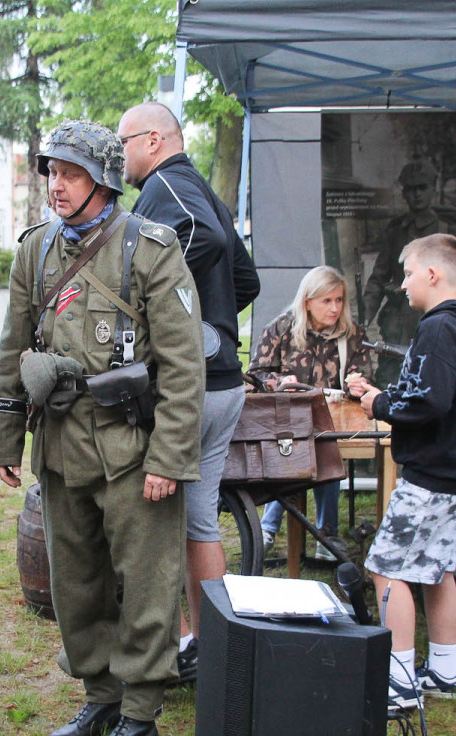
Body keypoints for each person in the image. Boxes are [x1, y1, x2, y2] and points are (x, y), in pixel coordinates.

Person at [0, 119, 203, 736]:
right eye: (52, 172)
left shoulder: (150, 246)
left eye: (71, 173)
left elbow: (183, 364)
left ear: (105, 180)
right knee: (75, 585)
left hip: (130, 450)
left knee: (145, 586)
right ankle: (101, 699)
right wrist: (5, 435)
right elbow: (11, 345)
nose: (57, 185)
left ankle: (140, 719)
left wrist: (169, 458)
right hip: (59, 444)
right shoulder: (36, 250)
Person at [117, 101, 259, 683]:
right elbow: (245, 278)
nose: (118, 155)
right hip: (224, 381)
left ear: (153, 140)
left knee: (147, 522)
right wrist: (210, 323)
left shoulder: (166, 187)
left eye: (123, 142)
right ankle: (211, 649)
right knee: (199, 521)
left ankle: (166, 651)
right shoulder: (199, 185)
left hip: (188, 387)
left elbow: (200, 239)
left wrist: (162, 312)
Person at [347, 234, 456, 712]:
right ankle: (445, 672)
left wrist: (377, 402)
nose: (403, 283)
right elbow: (436, 385)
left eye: (408, 273)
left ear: (433, 274)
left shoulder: (439, 327)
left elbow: (430, 400)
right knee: (435, 571)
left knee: (386, 570)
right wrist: (382, 391)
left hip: (430, 473)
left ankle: (401, 683)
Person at [248, 266, 372, 552]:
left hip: (333, 419)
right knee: (290, 453)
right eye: (326, 301)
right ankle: (268, 529)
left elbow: (362, 375)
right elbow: (256, 375)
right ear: (307, 301)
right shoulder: (281, 328)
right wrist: (280, 382)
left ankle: (325, 534)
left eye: (339, 300)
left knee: (326, 449)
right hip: (288, 419)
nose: (334, 308)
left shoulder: (352, 335)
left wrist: (358, 384)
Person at [363, 159, 456, 386]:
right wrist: (363, 319)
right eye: (411, 189)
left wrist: (449, 312)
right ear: (404, 193)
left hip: (438, 322)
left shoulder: (450, 230)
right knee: (389, 381)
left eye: (422, 188)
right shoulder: (396, 230)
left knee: (436, 382)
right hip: (398, 324)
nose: (417, 194)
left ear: (433, 189)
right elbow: (378, 278)